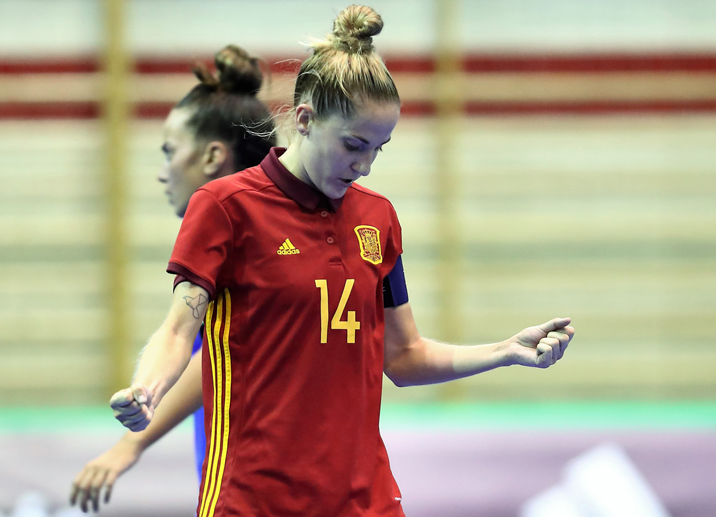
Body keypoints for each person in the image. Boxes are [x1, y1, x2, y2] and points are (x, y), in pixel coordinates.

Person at [110, 5, 575, 516]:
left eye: (379, 148)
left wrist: (504, 350)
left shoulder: (379, 219)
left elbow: (404, 355)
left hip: (365, 500)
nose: (365, 165)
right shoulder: (224, 207)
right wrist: (147, 388)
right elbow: (179, 330)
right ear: (305, 119)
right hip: (252, 500)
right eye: (354, 145)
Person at [69, 44, 276, 513]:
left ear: (213, 156)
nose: (163, 174)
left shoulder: (253, 241)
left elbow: (217, 359)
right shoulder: (245, 232)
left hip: (258, 487)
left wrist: (132, 442)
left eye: (170, 153)